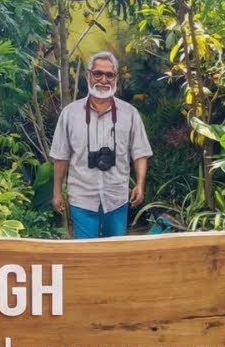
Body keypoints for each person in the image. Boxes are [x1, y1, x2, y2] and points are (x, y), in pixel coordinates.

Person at [49, 51, 152, 239]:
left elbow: (140, 153)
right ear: (88, 75)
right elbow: (60, 156)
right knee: (85, 253)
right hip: (82, 198)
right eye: (98, 73)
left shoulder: (130, 113)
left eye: (109, 75)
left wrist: (140, 184)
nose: (103, 80)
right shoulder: (70, 114)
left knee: (115, 253)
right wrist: (57, 192)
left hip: (117, 197)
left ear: (116, 78)